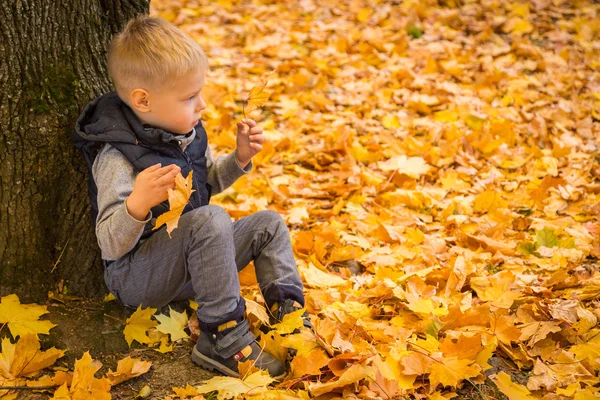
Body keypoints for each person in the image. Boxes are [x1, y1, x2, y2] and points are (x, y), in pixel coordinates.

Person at [72, 15, 310, 379]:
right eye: (189, 97)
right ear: (143, 100)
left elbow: (208, 183)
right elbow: (109, 244)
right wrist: (137, 203)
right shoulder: (118, 157)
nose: (202, 106)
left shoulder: (190, 134)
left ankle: (290, 318)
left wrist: (240, 158)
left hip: (194, 262)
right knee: (211, 219)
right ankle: (223, 336)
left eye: (200, 92)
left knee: (269, 225)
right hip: (139, 276)